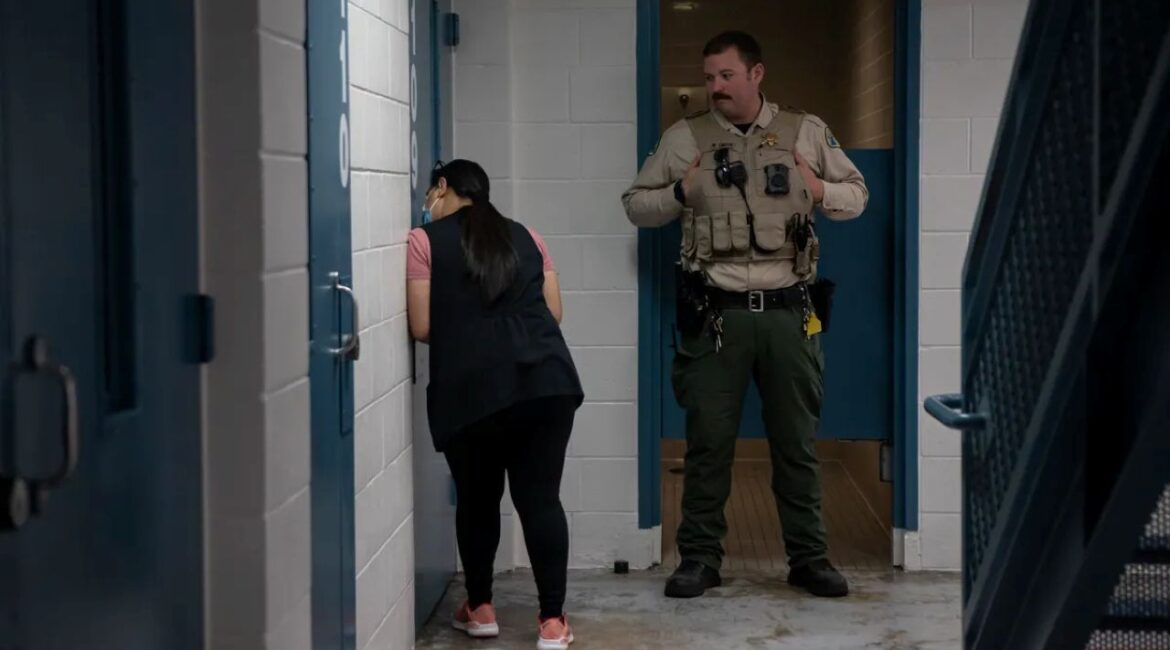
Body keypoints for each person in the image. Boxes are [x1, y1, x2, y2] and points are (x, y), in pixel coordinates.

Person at [622, 31, 869, 599]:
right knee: (708, 444)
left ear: (757, 75)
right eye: (709, 78)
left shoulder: (805, 131)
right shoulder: (685, 139)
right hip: (717, 317)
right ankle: (700, 558)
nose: (715, 88)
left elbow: (858, 194)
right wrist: (680, 194)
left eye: (725, 77)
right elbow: (636, 204)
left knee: (796, 444)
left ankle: (809, 557)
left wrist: (816, 186)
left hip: (789, 313)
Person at [407, 159, 584, 649]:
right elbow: (554, 312)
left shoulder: (423, 242)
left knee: (478, 499)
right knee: (541, 500)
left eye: (430, 193)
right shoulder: (528, 236)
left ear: (441, 188)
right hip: (546, 383)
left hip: (472, 389)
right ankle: (553, 622)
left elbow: (421, 326)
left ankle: (481, 608)